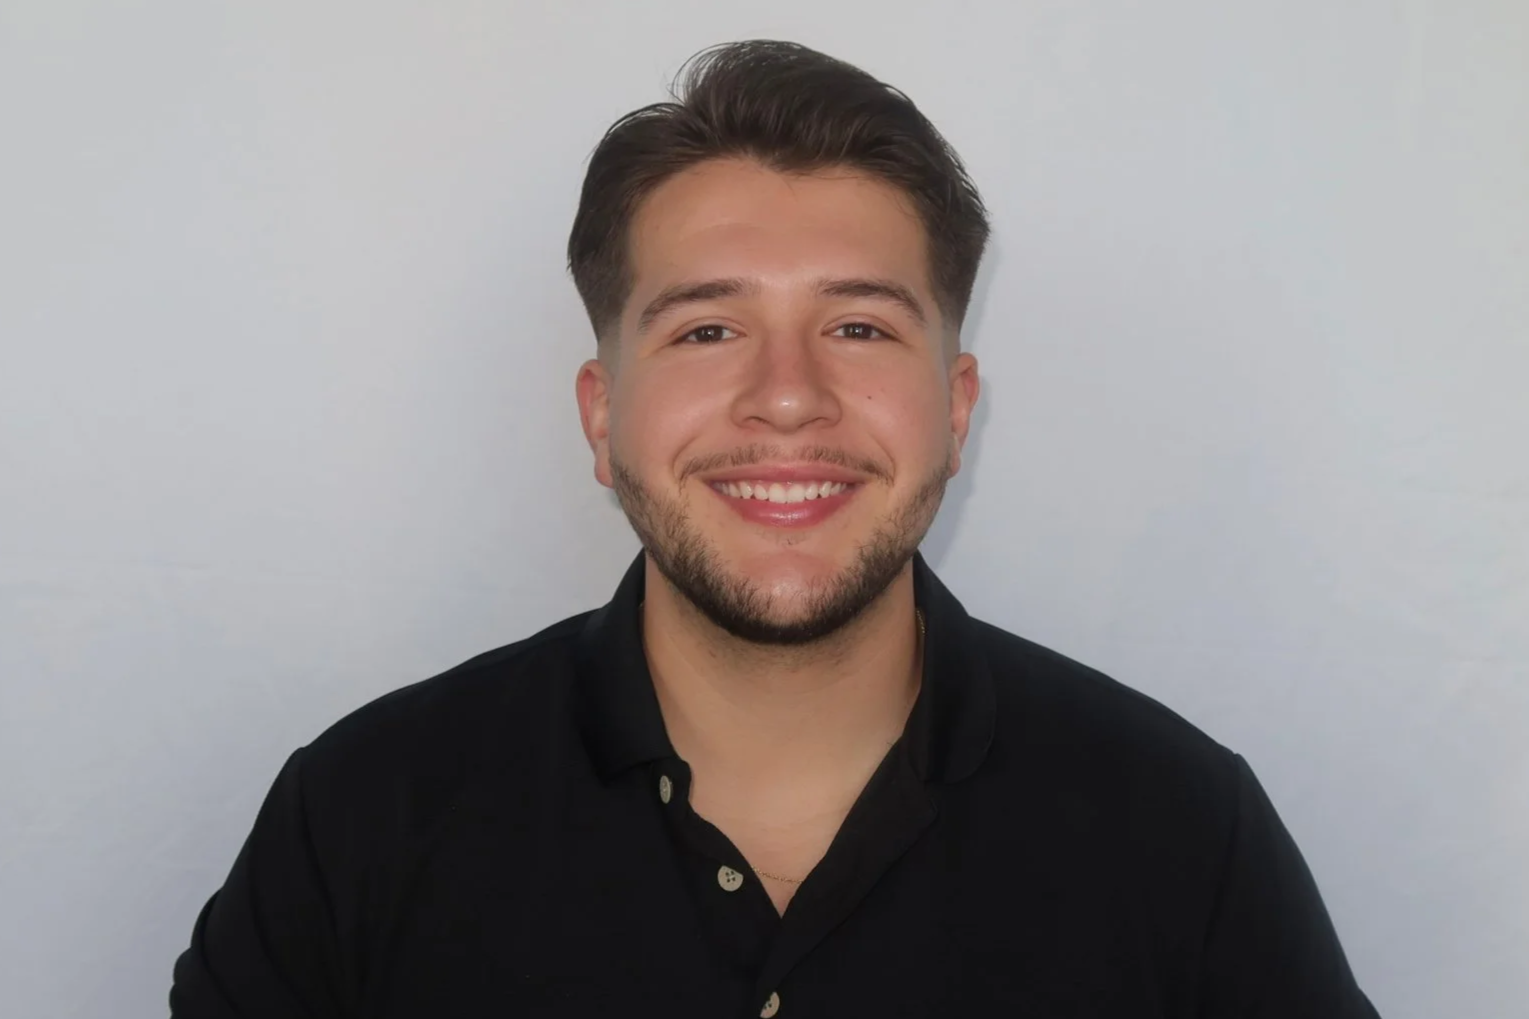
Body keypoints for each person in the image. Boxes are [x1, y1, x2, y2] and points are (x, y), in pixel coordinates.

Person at [170, 39, 1380, 1018]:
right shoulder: (360, 817)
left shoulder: (1180, 831)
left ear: (955, 410)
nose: (788, 394)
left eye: (858, 327)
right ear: (603, 416)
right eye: (706, 329)